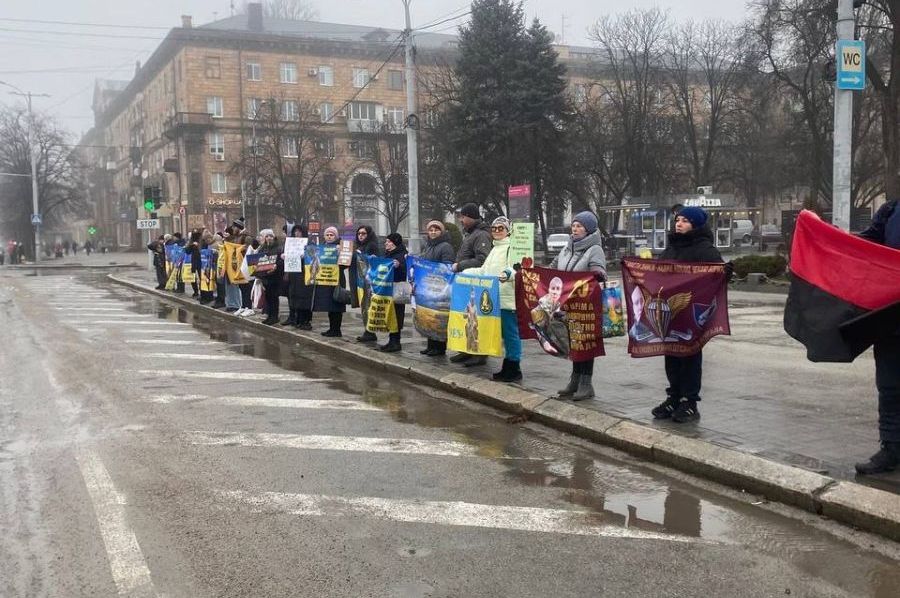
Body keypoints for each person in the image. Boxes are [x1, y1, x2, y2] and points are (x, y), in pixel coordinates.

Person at [651, 207, 723, 423]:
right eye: (678, 220)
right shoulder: (671, 247)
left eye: (684, 221)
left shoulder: (705, 249)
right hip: (671, 313)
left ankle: (689, 402)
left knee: (690, 357)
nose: (679, 224)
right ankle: (674, 397)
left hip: (692, 314)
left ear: (695, 224)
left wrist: (724, 272)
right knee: (671, 355)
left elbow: (717, 275)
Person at [856, 198, 900, 474]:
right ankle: (891, 449)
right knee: (890, 388)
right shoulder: (891, 211)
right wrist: (822, 236)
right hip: (891, 321)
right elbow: (862, 247)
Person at [549, 211, 608, 400]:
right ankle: (574, 380)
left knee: (585, 343)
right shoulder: (567, 248)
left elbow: (600, 272)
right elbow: (553, 268)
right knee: (574, 342)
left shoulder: (595, 249)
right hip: (568, 304)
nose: (575, 229)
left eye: (579, 226)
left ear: (588, 229)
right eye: (573, 225)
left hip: (586, 305)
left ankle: (586, 384)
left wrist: (595, 274)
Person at [463, 216, 522, 383]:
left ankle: (514, 367)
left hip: (507, 299)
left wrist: (507, 274)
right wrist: (463, 272)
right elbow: (483, 271)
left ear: (508, 231)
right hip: (493, 298)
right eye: (494, 228)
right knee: (502, 334)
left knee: (511, 334)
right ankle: (507, 367)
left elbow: (517, 268)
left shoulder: (511, 247)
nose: (496, 231)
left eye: (500, 228)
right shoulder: (495, 249)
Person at [450, 203, 492, 367]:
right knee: (467, 317)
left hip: (477, 284)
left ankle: (480, 353)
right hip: (467, 283)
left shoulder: (481, 235)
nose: (461, 220)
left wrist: (460, 265)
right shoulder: (471, 233)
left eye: (463, 216)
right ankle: (467, 349)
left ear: (471, 217)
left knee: (477, 318)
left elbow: (482, 260)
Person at [418, 220, 456, 356]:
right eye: (431, 230)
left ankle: (439, 347)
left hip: (440, 286)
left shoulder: (445, 246)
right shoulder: (428, 246)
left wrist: (436, 271)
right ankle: (431, 344)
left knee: (439, 316)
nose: (433, 232)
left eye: (436, 230)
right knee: (430, 315)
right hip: (429, 285)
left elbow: (448, 265)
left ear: (441, 232)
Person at [314, 226, 347, 337]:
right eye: (327, 235)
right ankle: (332, 328)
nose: (329, 237)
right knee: (329, 305)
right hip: (326, 279)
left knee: (337, 304)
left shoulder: (341, 246)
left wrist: (340, 253)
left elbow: (345, 264)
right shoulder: (322, 248)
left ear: (336, 236)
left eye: (331, 235)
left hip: (337, 280)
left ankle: (336, 330)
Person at [378, 233, 408, 352]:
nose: (386, 243)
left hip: (397, 290)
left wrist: (399, 265)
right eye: (386, 241)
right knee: (390, 314)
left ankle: (396, 342)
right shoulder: (388, 254)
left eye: (389, 241)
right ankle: (391, 341)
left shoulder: (402, 255)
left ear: (395, 243)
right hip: (388, 289)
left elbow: (406, 270)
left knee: (397, 315)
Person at [353, 225, 383, 343]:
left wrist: (362, 255)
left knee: (368, 305)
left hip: (369, 281)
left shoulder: (372, 246)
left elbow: (374, 261)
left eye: (363, 233)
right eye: (359, 233)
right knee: (364, 306)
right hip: (361, 280)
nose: (360, 236)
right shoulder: (359, 245)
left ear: (369, 234)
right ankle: (368, 330)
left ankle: (369, 332)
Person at [255, 228, 284, 325]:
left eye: (270, 236)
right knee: (268, 297)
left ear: (274, 237)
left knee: (274, 297)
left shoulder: (278, 248)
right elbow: (258, 259)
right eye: (267, 236)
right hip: (265, 276)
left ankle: (274, 317)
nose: (269, 238)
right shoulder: (263, 248)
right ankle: (269, 316)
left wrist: (276, 265)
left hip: (274, 277)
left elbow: (281, 261)